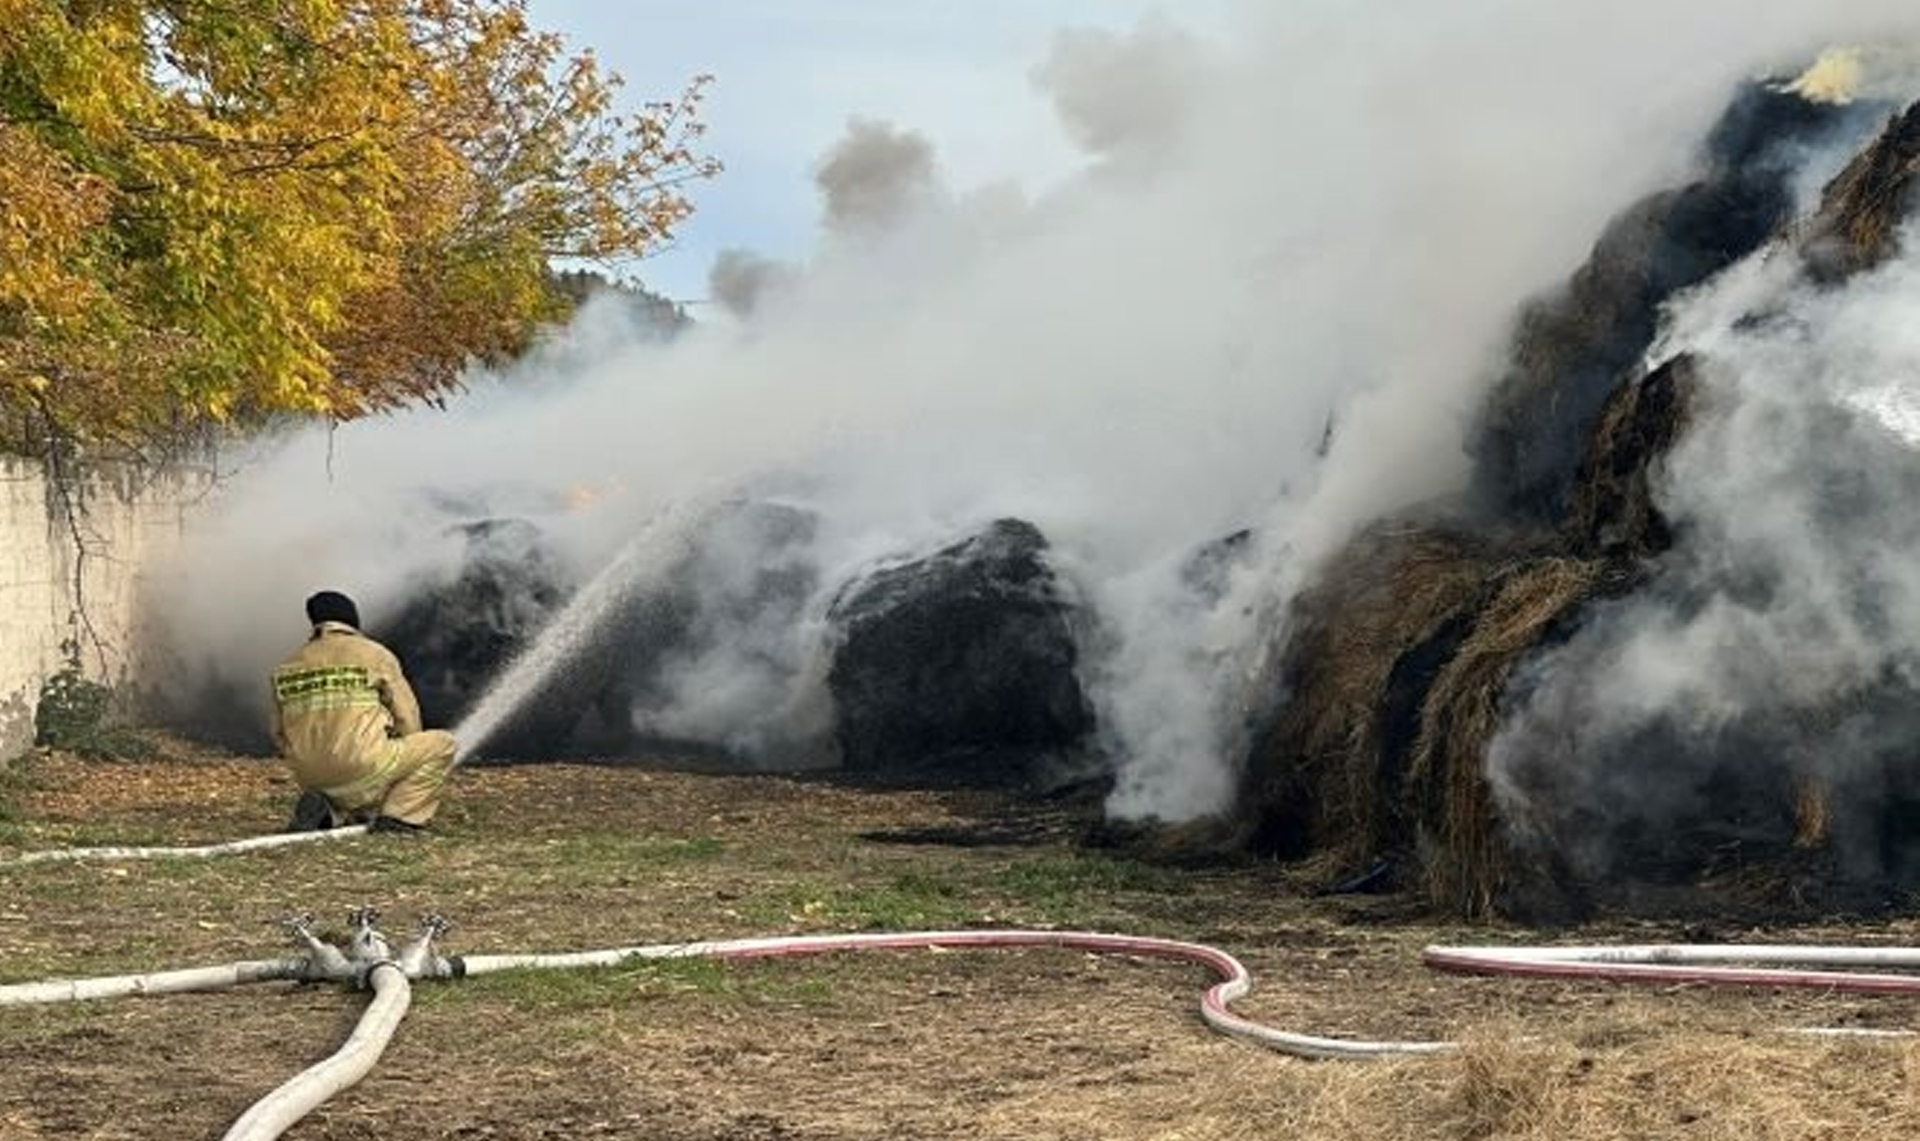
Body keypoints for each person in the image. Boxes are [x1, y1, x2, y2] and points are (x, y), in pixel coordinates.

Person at [271, 590, 458, 833]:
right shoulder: (373, 654)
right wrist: (400, 754)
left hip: (309, 776)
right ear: (352, 619)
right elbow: (407, 717)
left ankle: (329, 810)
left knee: (352, 778)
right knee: (442, 744)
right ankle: (400, 818)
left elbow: (278, 734)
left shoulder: (287, 666)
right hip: (360, 764)